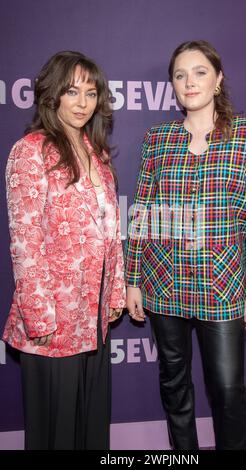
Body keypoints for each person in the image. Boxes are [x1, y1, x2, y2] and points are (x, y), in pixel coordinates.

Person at [125, 40, 246, 450]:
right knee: (174, 385)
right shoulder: (157, 139)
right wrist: (132, 279)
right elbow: (142, 213)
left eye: (199, 72)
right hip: (164, 280)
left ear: (218, 80)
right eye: (179, 75)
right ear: (172, 85)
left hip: (223, 284)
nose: (188, 82)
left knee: (227, 390)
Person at [3, 51, 126, 450]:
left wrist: (116, 292)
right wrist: (40, 317)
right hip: (53, 322)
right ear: (51, 94)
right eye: (72, 91)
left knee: (91, 430)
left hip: (93, 319)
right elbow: (25, 241)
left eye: (91, 93)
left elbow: (111, 231)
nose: (82, 102)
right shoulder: (30, 151)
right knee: (55, 434)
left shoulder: (98, 154)